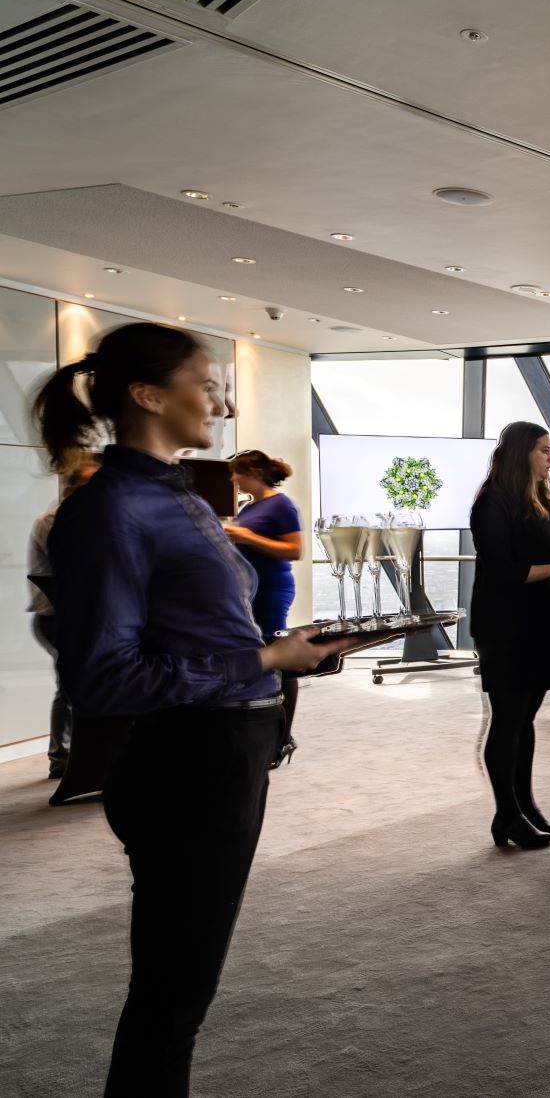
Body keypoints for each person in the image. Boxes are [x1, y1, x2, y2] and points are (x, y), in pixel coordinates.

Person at [34, 321, 341, 1096]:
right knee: (174, 994)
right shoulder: (112, 510)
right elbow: (103, 679)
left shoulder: (178, 493)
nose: (225, 401)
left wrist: (289, 649)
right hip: (186, 763)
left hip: (226, 749)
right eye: (207, 385)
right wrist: (266, 658)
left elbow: (205, 628)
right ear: (147, 395)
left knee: (183, 987)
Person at [470, 421, 550, 849]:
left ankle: (524, 808)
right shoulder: (491, 504)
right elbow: (504, 571)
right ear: (523, 452)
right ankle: (507, 813)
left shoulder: (540, 499)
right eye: (544, 450)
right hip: (505, 626)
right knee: (508, 721)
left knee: (525, 720)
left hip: (539, 622)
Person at [224, 450, 304, 768]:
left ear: (255, 472)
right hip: (247, 590)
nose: (232, 479)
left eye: (236, 473)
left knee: (276, 655)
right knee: (258, 652)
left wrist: (246, 536)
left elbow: (294, 549)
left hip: (271, 587)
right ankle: (264, 731)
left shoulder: (281, 504)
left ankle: (283, 738)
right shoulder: (246, 507)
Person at [27, 458, 100, 781]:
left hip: (77, 615)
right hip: (55, 617)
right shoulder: (53, 520)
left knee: (76, 685)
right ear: (72, 489)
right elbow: (74, 565)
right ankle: (62, 758)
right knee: (70, 687)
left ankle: (76, 756)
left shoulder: (83, 518)